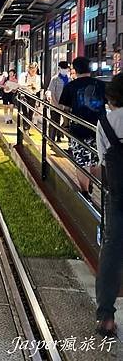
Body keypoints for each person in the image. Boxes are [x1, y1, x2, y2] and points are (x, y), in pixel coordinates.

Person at [95, 74, 123, 337]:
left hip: (118, 194)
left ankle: (106, 317)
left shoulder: (105, 123)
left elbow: (103, 162)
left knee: (112, 251)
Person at [59, 56, 106, 200]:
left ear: (75, 70)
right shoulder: (101, 84)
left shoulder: (70, 86)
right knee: (97, 159)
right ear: (90, 69)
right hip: (99, 128)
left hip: (78, 129)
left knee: (81, 161)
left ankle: (85, 193)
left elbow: (64, 107)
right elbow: (111, 104)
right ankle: (93, 183)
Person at [47, 61, 70, 142]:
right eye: (63, 68)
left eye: (66, 69)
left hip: (66, 105)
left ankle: (59, 135)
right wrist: (56, 104)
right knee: (54, 121)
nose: (65, 70)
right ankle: (51, 139)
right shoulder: (55, 79)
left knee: (66, 122)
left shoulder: (69, 79)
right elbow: (52, 92)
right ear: (59, 69)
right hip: (55, 104)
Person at [19, 62, 41, 132]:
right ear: (29, 69)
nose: (33, 71)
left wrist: (34, 87)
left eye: (34, 70)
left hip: (32, 95)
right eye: (31, 69)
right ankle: (25, 126)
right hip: (24, 94)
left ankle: (28, 126)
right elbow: (20, 84)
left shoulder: (37, 77)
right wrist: (28, 85)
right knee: (25, 111)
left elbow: (38, 88)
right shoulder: (23, 75)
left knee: (31, 111)